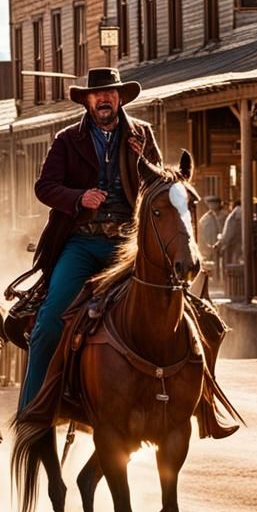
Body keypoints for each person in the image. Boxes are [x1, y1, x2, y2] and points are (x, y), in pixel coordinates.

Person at [18, 68, 160, 413]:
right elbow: (45, 188)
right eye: (98, 95)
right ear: (87, 101)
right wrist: (79, 198)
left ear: (120, 97)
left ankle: (188, 401)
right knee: (51, 319)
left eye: (111, 93)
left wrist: (143, 160)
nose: (105, 99)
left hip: (128, 246)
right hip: (81, 242)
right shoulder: (67, 139)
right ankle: (32, 410)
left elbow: (160, 185)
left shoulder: (142, 133)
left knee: (176, 313)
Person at [198, 195, 225, 274]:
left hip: (223, 246)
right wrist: (205, 246)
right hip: (209, 247)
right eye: (210, 204)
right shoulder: (205, 219)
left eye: (215, 203)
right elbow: (201, 234)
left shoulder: (225, 216)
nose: (212, 206)